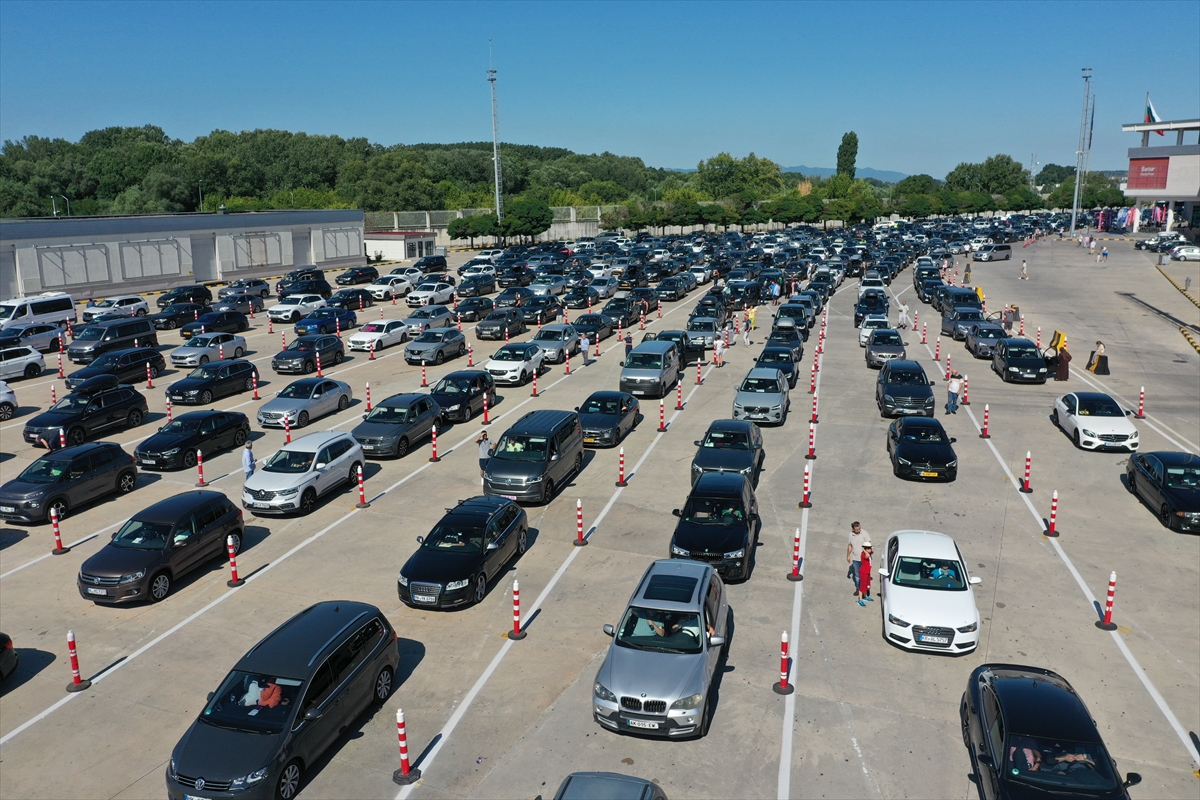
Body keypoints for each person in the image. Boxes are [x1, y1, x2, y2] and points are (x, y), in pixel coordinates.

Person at [846, 521, 869, 594]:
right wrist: (848, 555)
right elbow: (850, 545)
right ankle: (858, 589)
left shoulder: (865, 533)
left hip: (864, 559)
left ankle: (865, 589)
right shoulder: (851, 535)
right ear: (853, 529)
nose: (859, 530)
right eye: (857, 529)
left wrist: (867, 554)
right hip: (855, 559)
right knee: (857, 575)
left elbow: (869, 545)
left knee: (864, 574)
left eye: (859, 528)